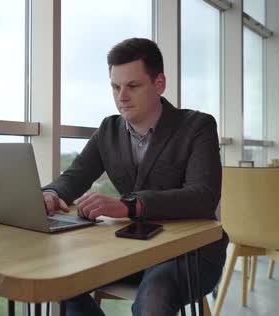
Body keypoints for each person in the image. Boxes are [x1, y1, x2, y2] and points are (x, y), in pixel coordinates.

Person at [42, 38, 228, 316]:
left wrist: (130, 205)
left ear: (159, 83)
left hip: (190, 253)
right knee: (57, 281)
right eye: (115, 87)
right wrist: (52, 193)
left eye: (132, 86)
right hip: (130, 250)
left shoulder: (197, 126)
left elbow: (203, 196)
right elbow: (75, 176)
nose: (121, 97)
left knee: (154, 297)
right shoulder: (109, 129)